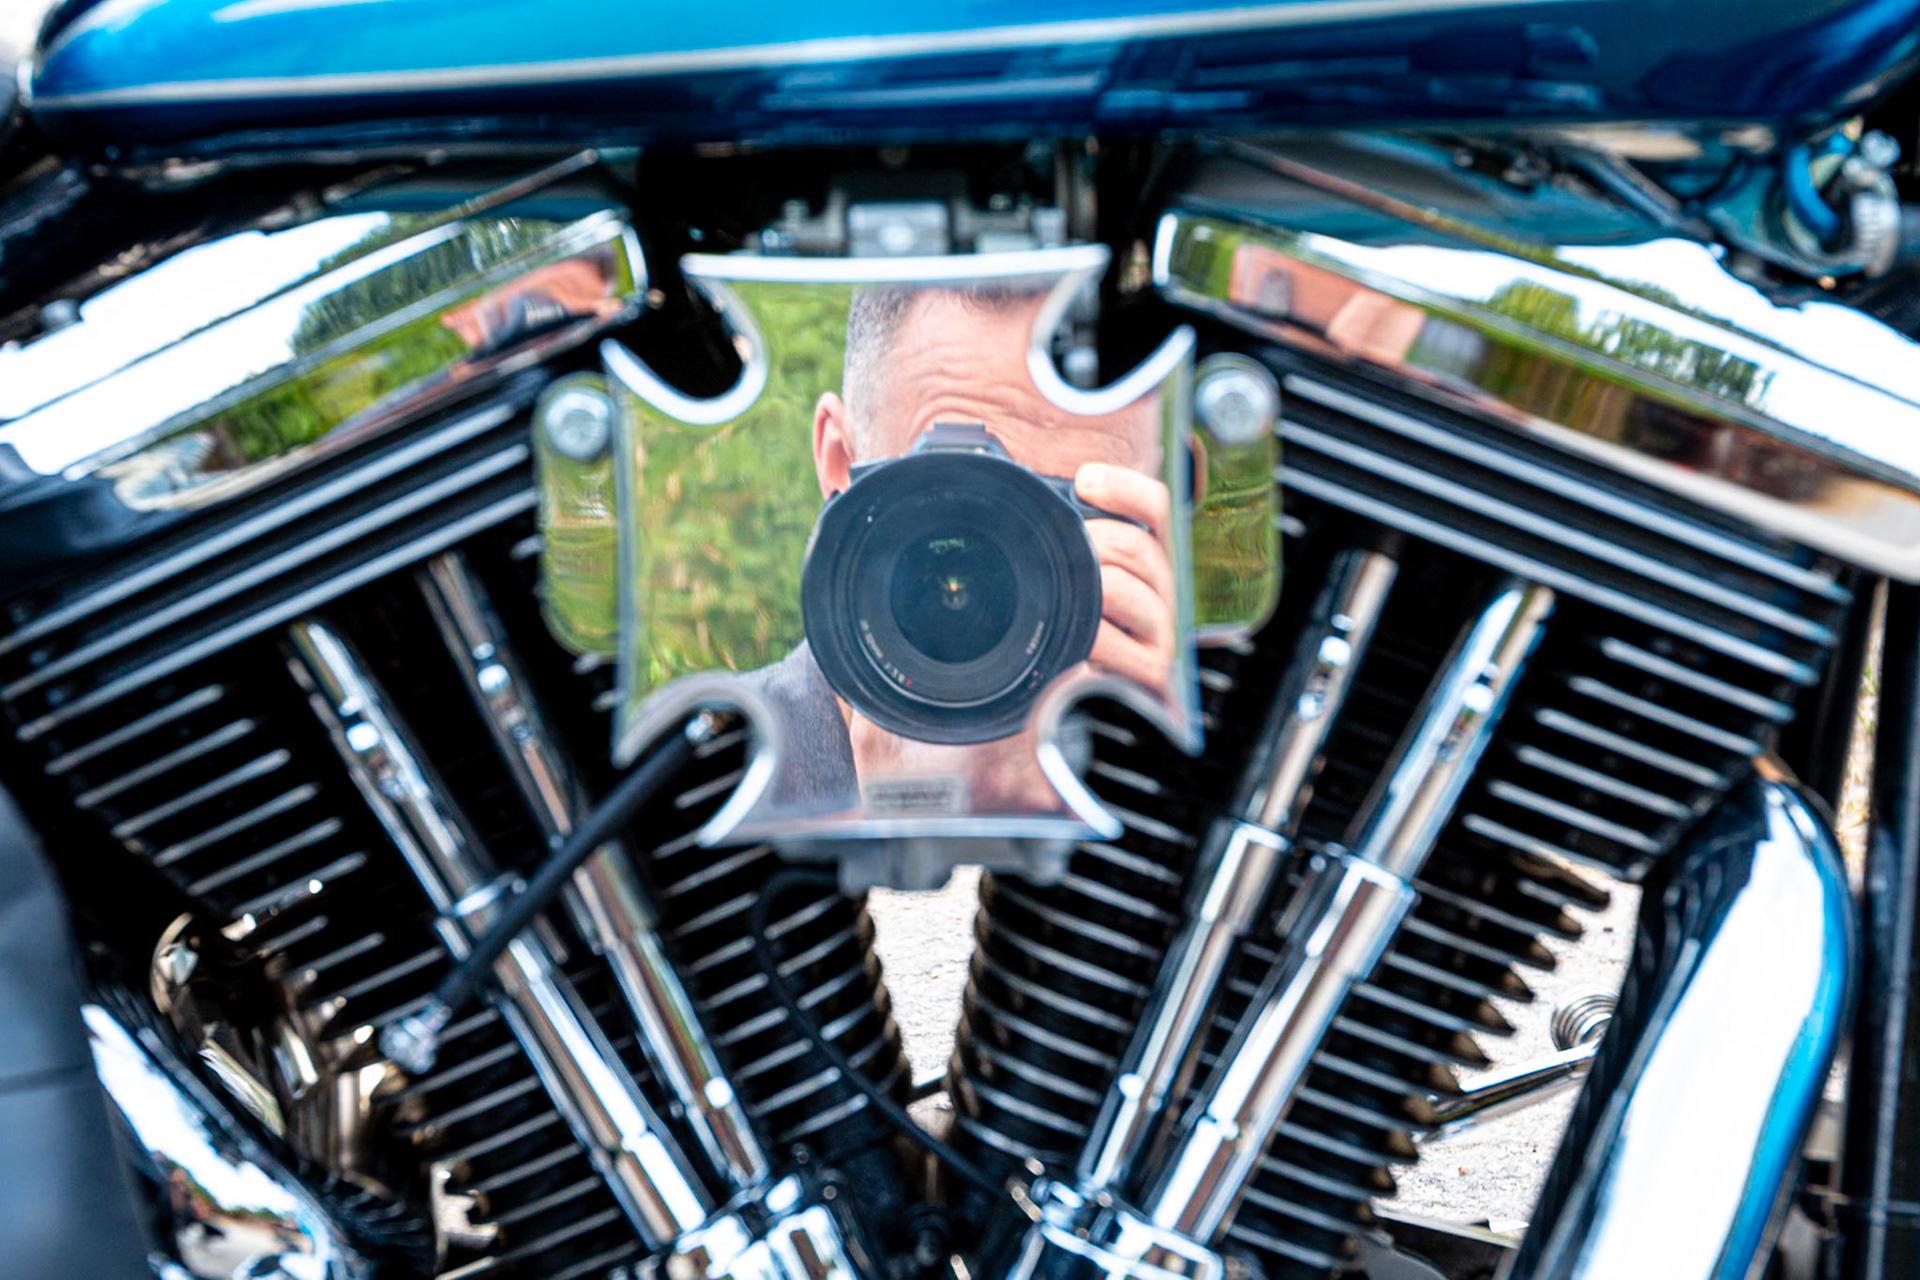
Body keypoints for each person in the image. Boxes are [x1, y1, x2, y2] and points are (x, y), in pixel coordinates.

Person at [749, 281, 1178, 819]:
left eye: (1069, 518)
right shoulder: (718, 772)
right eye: (958, 498)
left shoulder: (1175, 771)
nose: (1002, 565)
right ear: (840, 464)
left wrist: (1163, 762)